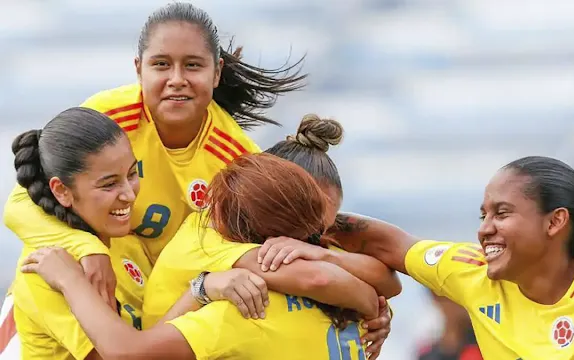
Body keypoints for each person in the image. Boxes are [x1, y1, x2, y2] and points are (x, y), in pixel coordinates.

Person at [0, 2, 306, 348]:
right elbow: (22, 203)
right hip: (67, 296)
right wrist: (87, 250)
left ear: (216, 72)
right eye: (161, 64)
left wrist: (363, 304)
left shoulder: (237, 159)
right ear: (138, 68)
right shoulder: (108, 118)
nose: (177, 80)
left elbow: (274, 248)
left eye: (193, 65)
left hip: (151, 320)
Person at [262, 156, 574, 359]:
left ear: (555, 221)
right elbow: (387, 242)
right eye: (483, 215)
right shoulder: (472, 270)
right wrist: (305, 232)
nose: (484, 229)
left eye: (502, 213)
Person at [22, 153, 379, 359]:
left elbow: (128, 354)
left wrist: (201, 290)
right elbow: (373, 284)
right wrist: (373, 305)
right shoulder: (344, 300)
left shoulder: (243, 308)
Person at [8, 107, 270, 360]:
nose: (129, 194)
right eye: (109, 184)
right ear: (62, 191)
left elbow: (150, 342)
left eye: (133, 173)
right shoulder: (45, 272)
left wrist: (205, 288)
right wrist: (202, 289)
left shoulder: (125, 240)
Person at [143, 114, 400, 358]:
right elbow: (319, 279)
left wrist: (324, 254)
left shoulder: (294, 241)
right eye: (308, 224)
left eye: (321, 228)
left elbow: (389, 282)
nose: (313, 235)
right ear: (272, 204)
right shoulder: (210, 239)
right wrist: (369, 305)